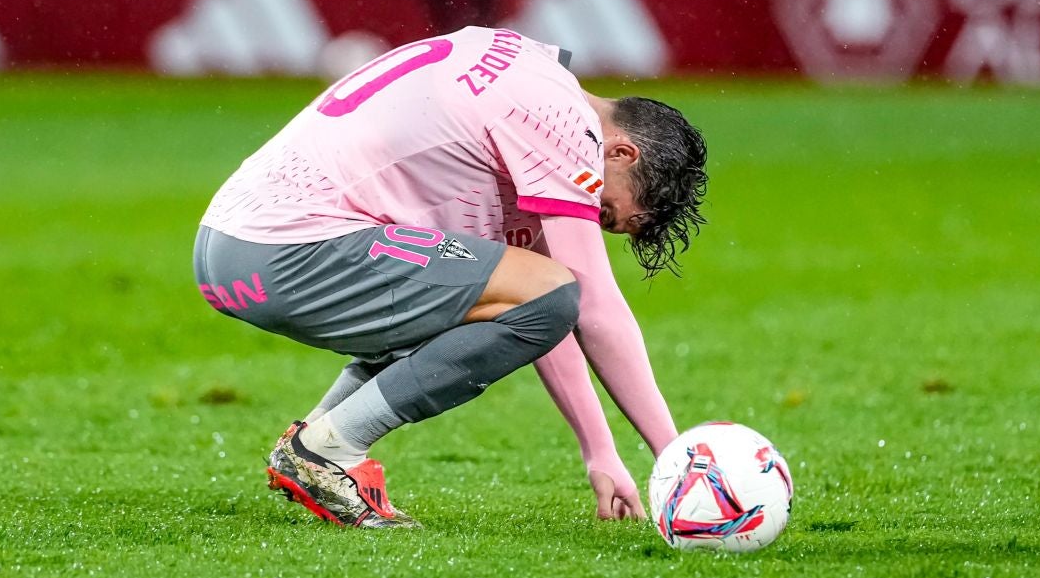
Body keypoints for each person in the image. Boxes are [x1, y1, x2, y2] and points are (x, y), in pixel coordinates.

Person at [194, 27, 709, 528]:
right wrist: (677, 459)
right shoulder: (564, 123)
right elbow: (590, 304)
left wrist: (601, 450)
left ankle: (313, 445)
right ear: (621, 153)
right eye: (604, 210)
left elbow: (533, 300)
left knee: (522, 291)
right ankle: (327, 451)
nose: (587, 212)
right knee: (553, 293)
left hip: (231, 244)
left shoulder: (531, 71)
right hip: (286, 250)